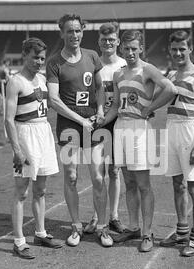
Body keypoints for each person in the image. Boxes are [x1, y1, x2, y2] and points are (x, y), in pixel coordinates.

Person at [102, 30, 177, 252]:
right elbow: (115, 106)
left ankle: (147, 233)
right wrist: (100, 122)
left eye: (134, 48)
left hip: (139, 129)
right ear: (121, 49)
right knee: (129, 182)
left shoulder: (148, 69)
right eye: (127, 48)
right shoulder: (118, 74)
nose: (131, 52)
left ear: (141, 48)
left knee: (143, 184)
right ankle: (133, 227)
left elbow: (170, 89)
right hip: (121, 127)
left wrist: (149, 108)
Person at [46, 14, 112, 248]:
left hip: (93, 123)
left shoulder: (92, 56)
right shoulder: (54, 62)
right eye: (69, 31)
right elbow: (53, 100)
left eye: (78, 30)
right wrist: (79, 120)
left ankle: (102, 227)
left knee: (97, 176)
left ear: (83, 31)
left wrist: (102, 110)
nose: (74, 35)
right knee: (72, 176)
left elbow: (99, 87)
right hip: (69, 126)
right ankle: (75, 226)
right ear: (61, 33)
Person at [5, 38, 64, 259]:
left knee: (41, 190)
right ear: (24, 56)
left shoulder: (42, 79)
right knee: (22, 191)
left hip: (43, 133)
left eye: (41, 58)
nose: (39, 61)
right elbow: (9, 120)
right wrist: (17, 150)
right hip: (25, 136)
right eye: (35, 57)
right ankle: (19, 241)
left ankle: (40, 233)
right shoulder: (15, 82)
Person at [157, 30, 194, 257]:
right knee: (176, 183)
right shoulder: (170, 76)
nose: (178, 53)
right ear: (169, 50)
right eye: (174, 49)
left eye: (182, 49)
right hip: (171, 128)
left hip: (191, 131)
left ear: (190, 49)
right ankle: (181, 231)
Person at [83, 21, 127, 235]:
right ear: (98, 42)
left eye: (111, 39)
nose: (108, 43)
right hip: (98, 122)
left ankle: (114, 217)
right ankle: (95, 216)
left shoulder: (125, 65)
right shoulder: (92, 64)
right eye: (103, 40)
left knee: (114, 171)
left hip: (118, 124)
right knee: (97, 174)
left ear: (118, 41)